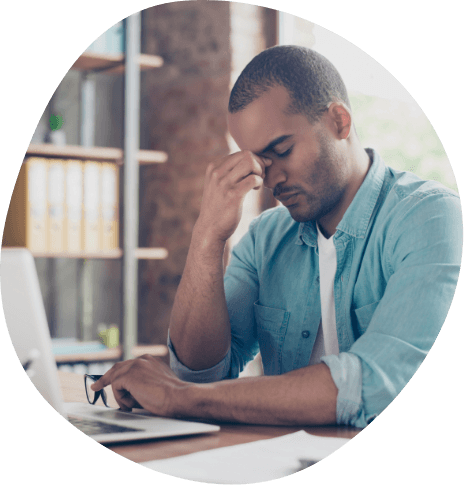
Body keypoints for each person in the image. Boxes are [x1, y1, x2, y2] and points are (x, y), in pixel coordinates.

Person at [92, 46, 462, 428]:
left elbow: (372, 383)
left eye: (282, 151)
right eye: (258, 163)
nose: (270, 180)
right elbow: (199, 373)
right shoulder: (265, 238)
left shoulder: (430, 217)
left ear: (339, 121)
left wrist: (177, 397)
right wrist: (207, 236)